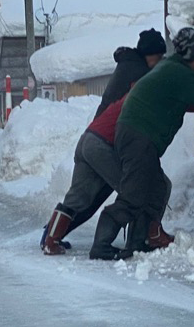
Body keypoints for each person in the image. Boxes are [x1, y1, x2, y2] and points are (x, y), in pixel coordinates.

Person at [89, 27, 194, 261]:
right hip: (138, 137)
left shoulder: (173, 68)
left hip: (135, 134)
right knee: (134, 194)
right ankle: (101, 245)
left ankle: (138, 241)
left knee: (157, 187)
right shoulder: (178, 73)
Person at [42, 95, 174, 255]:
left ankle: (50, 241)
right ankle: (136, 240)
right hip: (105, 145)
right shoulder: (149, 97)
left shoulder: (134, 92)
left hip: (88, 138)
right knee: (135, 189)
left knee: (78, 196)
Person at [95, 28, 166, 117]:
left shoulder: (130, 62)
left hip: (105, 120)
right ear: (148, 53)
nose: (160, 60)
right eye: (159, 56)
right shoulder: (136, 69)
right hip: (109, 122)